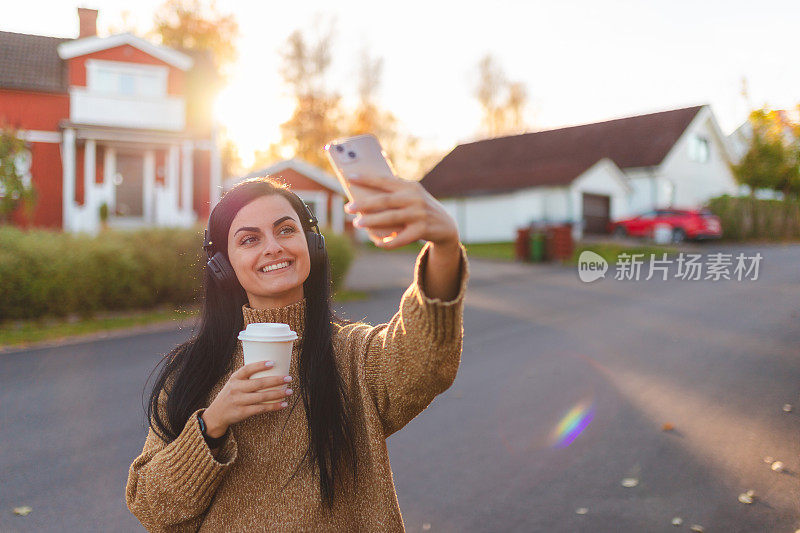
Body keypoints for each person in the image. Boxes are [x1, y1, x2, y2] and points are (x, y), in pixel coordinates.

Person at [125, 174, 469, 531]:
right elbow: (152, 509)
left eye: (286, 230)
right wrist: (212, 423)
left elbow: (426, 358)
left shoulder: (355, 355)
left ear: (312, 245)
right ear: (223, 266)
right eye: (249, 239)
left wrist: (444, 247)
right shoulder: (190, 373)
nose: (273, 247)